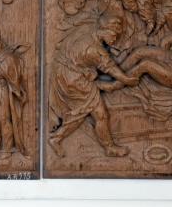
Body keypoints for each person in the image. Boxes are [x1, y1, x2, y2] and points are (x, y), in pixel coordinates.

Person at [48, 16, 138, 158]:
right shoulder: (94, 50)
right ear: (105, 30)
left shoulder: (86, 30)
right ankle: (109, 148)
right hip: (73, 79)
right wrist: (126, 79)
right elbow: (111, 69)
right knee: (100, 114)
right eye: (114, 35)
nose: (115, 39)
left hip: (64, 73)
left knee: (81, 112)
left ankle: (56, 138)